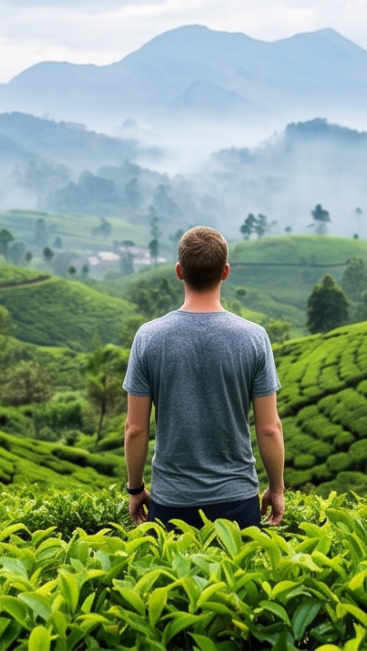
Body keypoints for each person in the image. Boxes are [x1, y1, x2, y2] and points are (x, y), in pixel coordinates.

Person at [123, 226, 285, 529]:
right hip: (237, 501)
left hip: (171, 500)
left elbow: (135, 429)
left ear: (179, 271)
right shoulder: (254, 338)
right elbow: (269, 428)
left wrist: (135, 489)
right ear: (225, 272)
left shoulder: (149, 337)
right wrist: (276, 489)